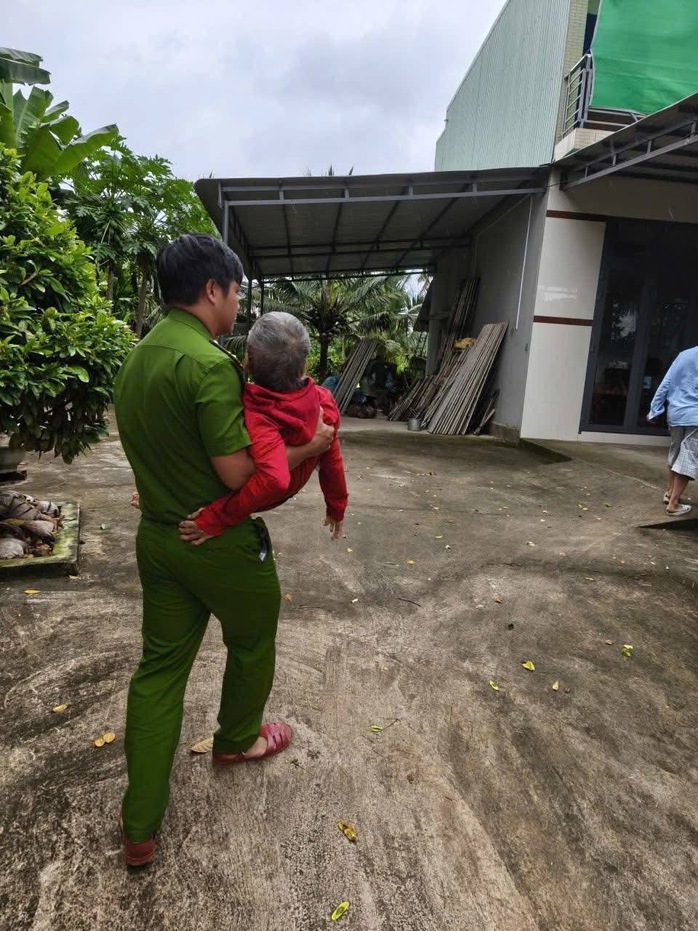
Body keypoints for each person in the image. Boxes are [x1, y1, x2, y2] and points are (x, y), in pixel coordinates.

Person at [113, 234, 333, 867]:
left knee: (157, 675)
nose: (238, 304)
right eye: (236, 291)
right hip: (217, 542)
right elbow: (241, 476)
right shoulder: (208, 365)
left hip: (157, 539)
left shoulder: (137, 359)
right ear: (212, 291)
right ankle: (237, 741)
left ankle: (139, 829)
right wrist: (311, 449)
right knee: (254, 637)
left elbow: (156, 449)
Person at [177, 312, 348, 545]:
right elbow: (332, 461)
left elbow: (273, 479)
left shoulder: (258, 413)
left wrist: (217, 518)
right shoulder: (324, 401)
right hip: (286, 486)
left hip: (257, 494)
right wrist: (336, 506)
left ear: (246, 360)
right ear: (305, 363)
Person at [648, 344, 698, 517]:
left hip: (676, 414)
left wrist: (654, 409)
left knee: (676, 453)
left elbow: (665, 383)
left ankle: (670, 492)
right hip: (695, 416)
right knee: (688, 458)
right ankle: (674, 504)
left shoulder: (684, 355)